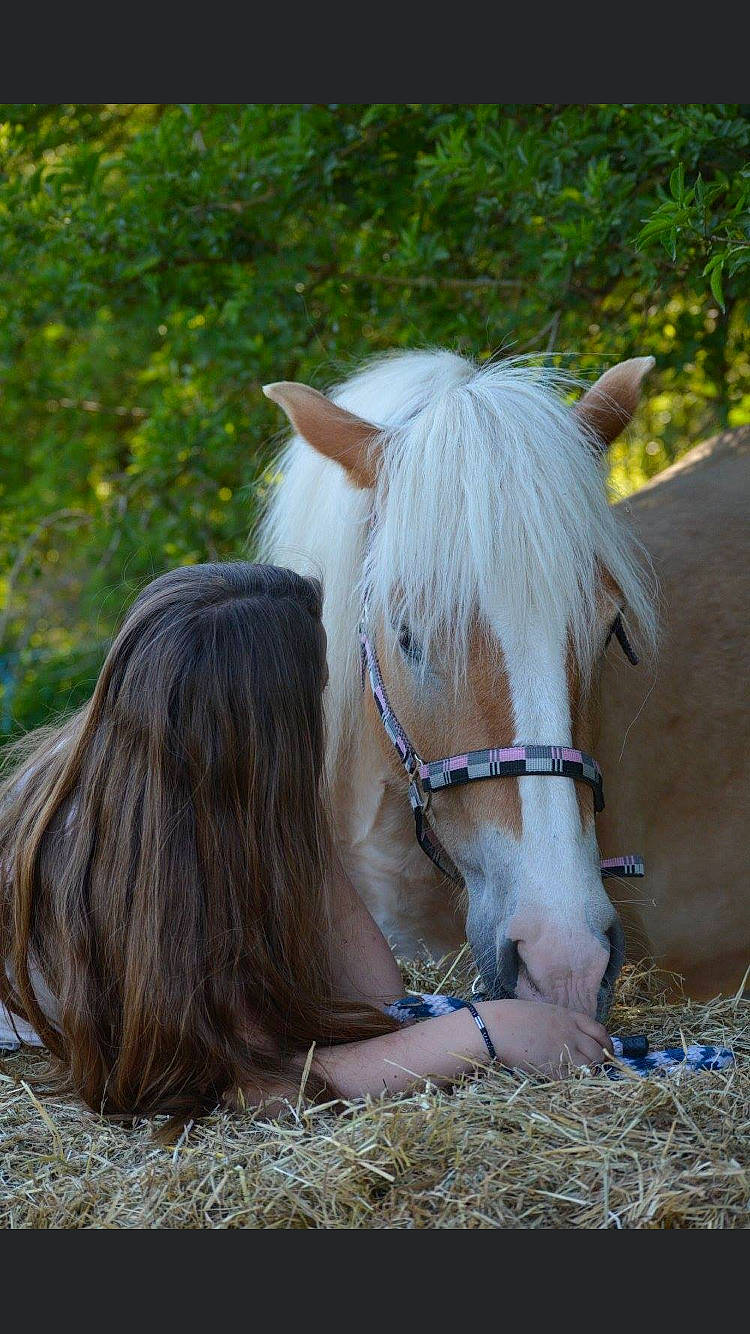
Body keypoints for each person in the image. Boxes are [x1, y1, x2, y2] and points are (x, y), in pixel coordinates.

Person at [0, 562, 610, 1124]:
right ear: (263, 732)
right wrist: (485, 1032)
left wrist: (293, 808)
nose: (321, 720)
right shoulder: (138, 866)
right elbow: (246, 1089)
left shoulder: (210, 796)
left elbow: (377, 997)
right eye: (310, 701)